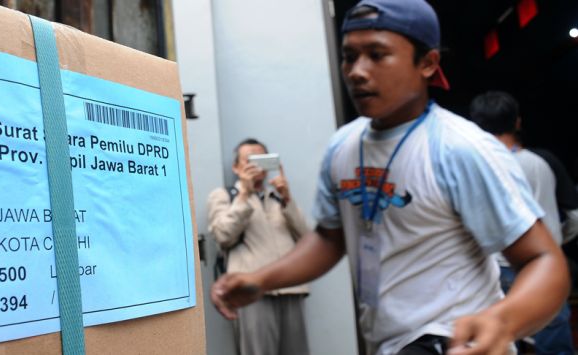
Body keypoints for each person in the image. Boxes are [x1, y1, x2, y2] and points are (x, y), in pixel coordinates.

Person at [210, 1, 570, 354]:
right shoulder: (343, 146)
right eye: (350, 56)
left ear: (428, 63)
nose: (356, 71)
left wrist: (502, 322)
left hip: (451, 339)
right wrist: (260, 280)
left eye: (377, 55)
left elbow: (545, 262)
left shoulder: (460, 149)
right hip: (388, 341)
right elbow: (329, 239)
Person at [470, 90, 577, 355]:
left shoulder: (469, 166)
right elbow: (574, 218)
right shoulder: (543, 162)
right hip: (545, 270)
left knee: (496, 344)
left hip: (491, 270)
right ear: (517, 123)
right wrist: (553, 242)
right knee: (554, 346)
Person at [207, 138, 311, 355]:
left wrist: (287, 199)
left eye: (261, 159)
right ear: (236, 167)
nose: (256, 166)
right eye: (249, 160)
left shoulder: (277, 197)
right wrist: (244, 194)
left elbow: (308, 240)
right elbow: (223, 235)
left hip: (291, 287)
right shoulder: (225, 196)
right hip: (251, 293)